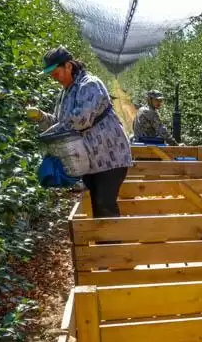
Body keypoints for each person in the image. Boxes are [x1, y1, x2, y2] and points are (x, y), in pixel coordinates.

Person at [27, 46, 132, 218]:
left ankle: (112, 244)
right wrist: (40, 117)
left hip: (110, 157)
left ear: (68, 66)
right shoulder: (65, 93)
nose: (53, 77)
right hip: (90, 161)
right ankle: (104, 243)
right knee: (98, 207)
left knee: (105, 204)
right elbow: (59, 123)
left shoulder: (89, 84)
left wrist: (49, 134)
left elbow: (81, 120)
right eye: (50, 74)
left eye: (55, 72)